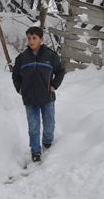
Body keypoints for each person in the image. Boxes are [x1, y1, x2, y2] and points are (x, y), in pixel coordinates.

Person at [11, 26, 65, 163]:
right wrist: (19, 89)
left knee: (49, 124)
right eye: (29, 38)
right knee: (33, 127)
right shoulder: (22, 58)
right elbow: (15, 75)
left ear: (41, 39)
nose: (31, 41)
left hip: (47, 97)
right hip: (30, 98)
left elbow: (60, 71)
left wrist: (54, 85)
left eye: (34, 38)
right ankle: (35, 151)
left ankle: (47, 141)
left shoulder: (51, 56)